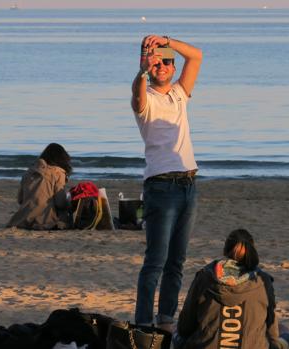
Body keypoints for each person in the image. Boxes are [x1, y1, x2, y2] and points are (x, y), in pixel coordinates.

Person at [131, 34, 203, 328]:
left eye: (167, 62)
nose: (162, 65)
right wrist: (143, 69)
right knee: (155, 262)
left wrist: (168, 41)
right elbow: (137, 94)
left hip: (188, 184)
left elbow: (196, 56)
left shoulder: (179, 93)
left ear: (173, 68)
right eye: (158, 61)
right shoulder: (146, 97)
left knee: (177, 261)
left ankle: (166, 321)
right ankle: (143, 324)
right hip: (161, 187)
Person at [173, 229, 289, 349]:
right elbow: (272, 332)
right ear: (252, 251)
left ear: (225, 250)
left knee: (175, 333)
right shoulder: (262, 280)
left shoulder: (205, 276)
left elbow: (185, 327)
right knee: (284, 330)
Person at [7, 143, 72, 230]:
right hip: (45, 220)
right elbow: (60, 202)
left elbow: (20, 199)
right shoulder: (58, 172)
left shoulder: (29, 172)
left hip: (23, 219)